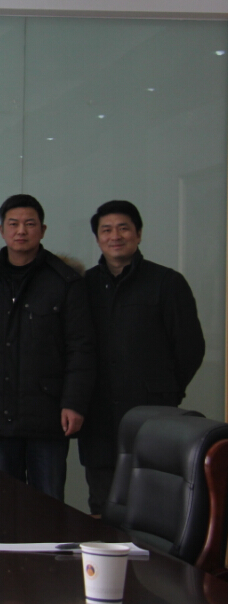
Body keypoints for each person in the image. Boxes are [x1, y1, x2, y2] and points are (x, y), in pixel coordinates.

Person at [0, 194, 95, 501]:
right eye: (13, 224)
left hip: (49, 415)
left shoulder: (66, 282)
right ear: (1, 231)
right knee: (1, 501)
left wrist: (74, 402)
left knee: (47, 502)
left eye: (30, 224)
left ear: (43, 230)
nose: (21, 231)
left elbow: (81, 347)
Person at [80, 200, 205, 515]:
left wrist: (166, 390)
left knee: (152, 506)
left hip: (153, 413)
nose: (115, 236)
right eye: (106, 230)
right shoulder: (84, 286)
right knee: (103, 505)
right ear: (98, 238)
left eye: (123, 228)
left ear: (138, 234)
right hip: (98, 415)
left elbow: (190, 347)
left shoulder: (167, 282)